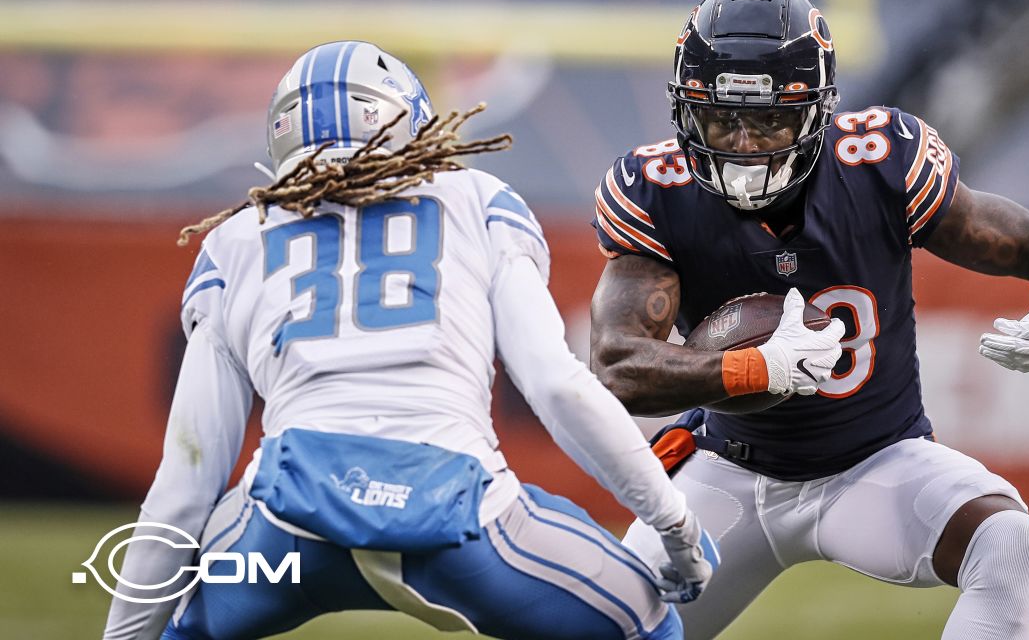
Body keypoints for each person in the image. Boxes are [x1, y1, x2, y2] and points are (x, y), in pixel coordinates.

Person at [102, 41, 718, 640]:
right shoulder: (476, 200)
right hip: (458, 517)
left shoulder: (236, 241)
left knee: (181, 629)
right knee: (645, 622)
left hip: (284, 525)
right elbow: (557, 386)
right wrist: (674, 526)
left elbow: (185, 484)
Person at [589, 0, 1029, 640]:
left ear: (815, 112)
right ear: (688, 112)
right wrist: (755, 370)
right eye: (723, 118)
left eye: (769, 119)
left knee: (1008, 541)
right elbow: (617, 367)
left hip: (876, 464)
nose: (744, 144)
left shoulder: (880, 164)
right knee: (604, 628)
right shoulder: (656, 191)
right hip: (729, 472)